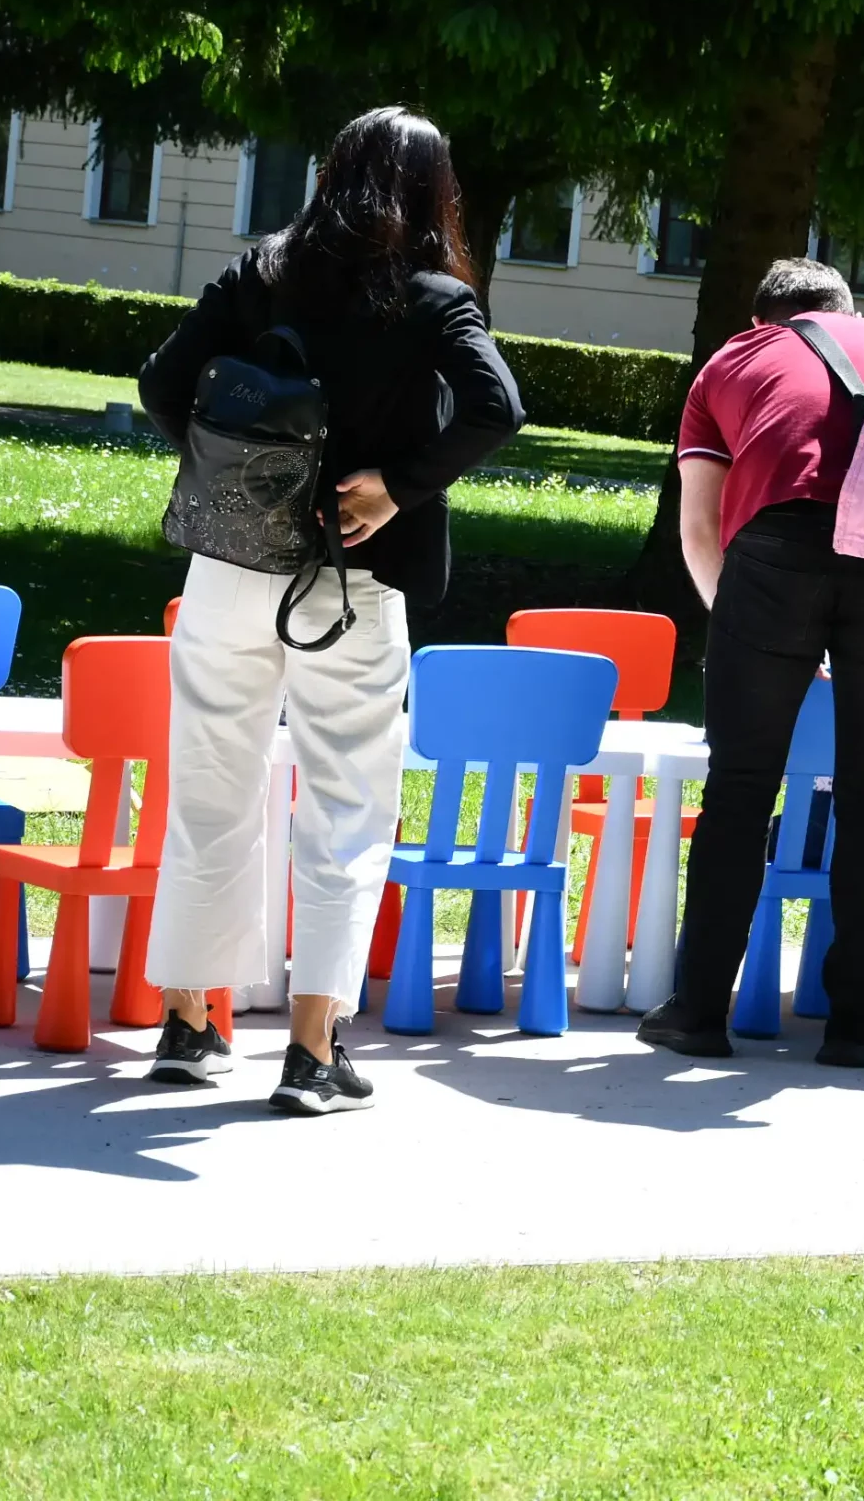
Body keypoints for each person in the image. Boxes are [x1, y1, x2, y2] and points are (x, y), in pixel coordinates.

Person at [138, 106, 524, 1114]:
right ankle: (311, 1051)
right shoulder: (436, 300)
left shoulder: (255, 275)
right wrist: (395, 483)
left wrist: (245, 474)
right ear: (434, 193)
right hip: (352, 579)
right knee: (347, 806)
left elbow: (160, 384)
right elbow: (498, 408)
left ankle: (190, 1021)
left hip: (230, 567)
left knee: (210, 784)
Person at [639, 258, 864, 1069]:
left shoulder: (735, 360)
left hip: (776, 556)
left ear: (764, 320)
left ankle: (699, 1012)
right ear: (847, 310)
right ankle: (858, 1026)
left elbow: (701, 533)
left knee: (740, 791)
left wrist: (747, 629)